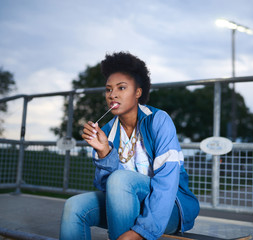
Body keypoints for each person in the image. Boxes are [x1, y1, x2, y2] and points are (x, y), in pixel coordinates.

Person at [59, 52, 199, 240]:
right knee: (74, 206)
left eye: (121, 88)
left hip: (169, 207)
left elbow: (167, 183)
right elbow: (107, 188)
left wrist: (140, 232)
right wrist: (104, 153)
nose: (113, 94)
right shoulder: (106, 132)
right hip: (126, 204)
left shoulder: (158, 121)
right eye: (108, 90)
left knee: (120, 179)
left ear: (138, 93)